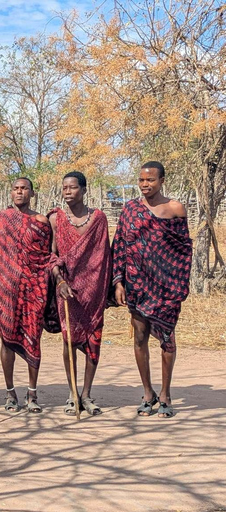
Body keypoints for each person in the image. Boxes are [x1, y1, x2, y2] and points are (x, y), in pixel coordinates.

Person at [112, 161, 192, 418]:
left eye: (151, 180)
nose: (145, 185)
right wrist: (118, 281)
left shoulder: (175, 208)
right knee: (139, 338)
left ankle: (166, 394)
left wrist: (178, 284)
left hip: (166, 288)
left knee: (168, 340)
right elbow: (120, 246)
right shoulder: (130, 209)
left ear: (162, 181)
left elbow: (183, 251)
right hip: (136, 285)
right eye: (142, 180)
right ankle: (148, 393)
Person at [47, 172, 112, 416]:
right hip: (66, 289)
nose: (67, 192)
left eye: (72, 188)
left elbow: (104, 255)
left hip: (93, 289)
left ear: (83, 190)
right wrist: (60, 280)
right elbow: (51, 256)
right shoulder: (55, 219)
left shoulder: (98, 219)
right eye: (64, 187)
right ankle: (72, 393)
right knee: (69, 339)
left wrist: (105, 287)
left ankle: (86, 393)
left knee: (94, 339)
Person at [0, 177, 51, 413]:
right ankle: (10, 392)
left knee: (34, 339)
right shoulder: (0, 220)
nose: (20, 192)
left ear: (32, 193)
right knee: (6, 340)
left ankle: (32, 394)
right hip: (4, 289)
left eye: (24, 188)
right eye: (15, 188)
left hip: (34, 289)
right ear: (10, 193)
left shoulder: (41, 221)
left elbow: (46, 257)